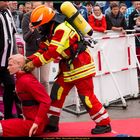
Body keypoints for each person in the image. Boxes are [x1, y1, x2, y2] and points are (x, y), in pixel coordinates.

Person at [23, 5, 111, 134]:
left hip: (81, 65)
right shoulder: (51, 29)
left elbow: (52, 52)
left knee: (86, 97)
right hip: (67, 67)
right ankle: (52, 123)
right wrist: (29, 59)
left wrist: (33, 64)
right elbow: (43, 50)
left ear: (47, 22)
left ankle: (104, 123)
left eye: (40, 25)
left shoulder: (61, 29)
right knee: (56, 94)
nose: (39, 29)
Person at [0, 54, 51, 137]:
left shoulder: (27, 80)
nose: (8, 67)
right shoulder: (21, 78)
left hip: (34, 125)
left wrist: (36, 122)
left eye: (10, 65)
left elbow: (46, 101)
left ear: (19, 65)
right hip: (29, 121)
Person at [22, 1, 51, 93]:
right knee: (33, 81)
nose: (36, 10)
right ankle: (34, 104)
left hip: (45, 52)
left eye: (38, 7)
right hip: (32, 53)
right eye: (34, 7)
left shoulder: (47, 16)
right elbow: (25, 38)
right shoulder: (27, 17)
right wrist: (31, 31)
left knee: (45, 80)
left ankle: (47, 102)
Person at [0, 1, 20, 120]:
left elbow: (12, 35)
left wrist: (16, 56)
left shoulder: (7, 12)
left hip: (7, 61)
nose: (7, 2)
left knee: (10, 85)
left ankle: (8, 115)